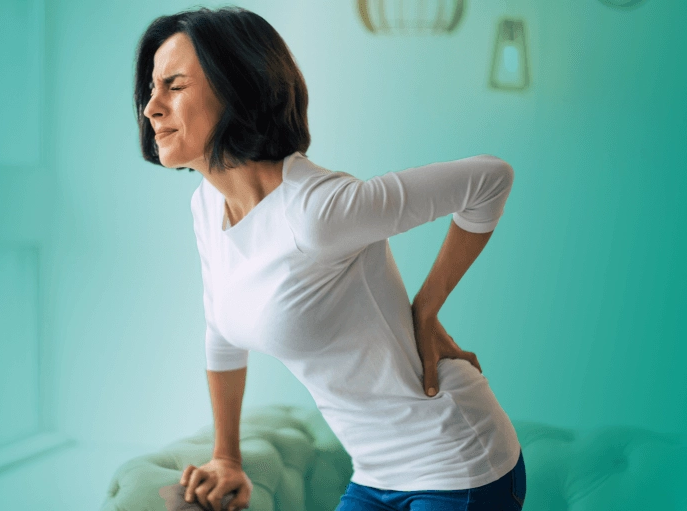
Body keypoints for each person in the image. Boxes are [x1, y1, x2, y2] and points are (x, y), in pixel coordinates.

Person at [134, 7, 527, 511]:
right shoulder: (208, 206)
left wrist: (426, 308)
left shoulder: (316, 210)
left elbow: (490, 178)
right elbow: (222, 336)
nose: (151, 107)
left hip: (458, 463)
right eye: (150, 88)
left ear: (237, 88)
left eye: (174, 85)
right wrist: (226, 458)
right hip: (374, 474)